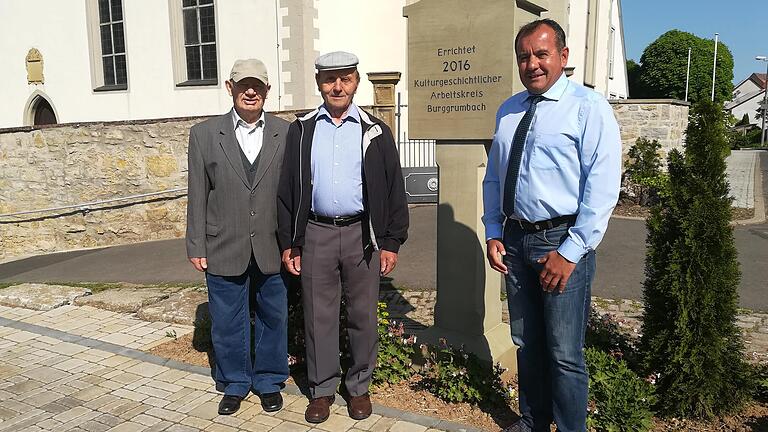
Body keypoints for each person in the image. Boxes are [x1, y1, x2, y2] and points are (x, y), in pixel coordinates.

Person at [482, 19, 621, 432]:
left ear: (562, 56)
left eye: (541, 54)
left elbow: (602, 187)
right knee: (527, 344)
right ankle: (533, 422)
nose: (532, 64)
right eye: (524, 56)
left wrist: (571, 252)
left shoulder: (588, 107)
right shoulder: (509, 110)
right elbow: (495, 177)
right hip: (515, 239)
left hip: (562, 241)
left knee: (564, 353)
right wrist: (493, 230)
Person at [277, 51, 408, 424]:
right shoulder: (302, 130)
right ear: (319, 83)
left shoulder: (375, 131)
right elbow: (287, 189)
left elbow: (394, 189)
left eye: (345, 78)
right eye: (330, 79)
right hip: (315, 233)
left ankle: (359, 387)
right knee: (318, 316)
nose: (337, 86)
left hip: (361, 236)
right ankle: (321, 390)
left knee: (363, 315)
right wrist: (291, 241)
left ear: (356, 81)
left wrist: (391, 241)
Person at [186, 58, 290, 416]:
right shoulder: (203, 135)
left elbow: (293, 194)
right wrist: (196, 243)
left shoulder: (286, 132)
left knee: (272, 316)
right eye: (243, 85)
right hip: (222, 243)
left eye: (258, 86)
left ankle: (269, 380)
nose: (251, 91)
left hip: (272, 244)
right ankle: (234, 382)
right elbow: (197, 193)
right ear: (229, 88)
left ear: (267, 91)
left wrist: (296, 242)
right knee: (227, 319)